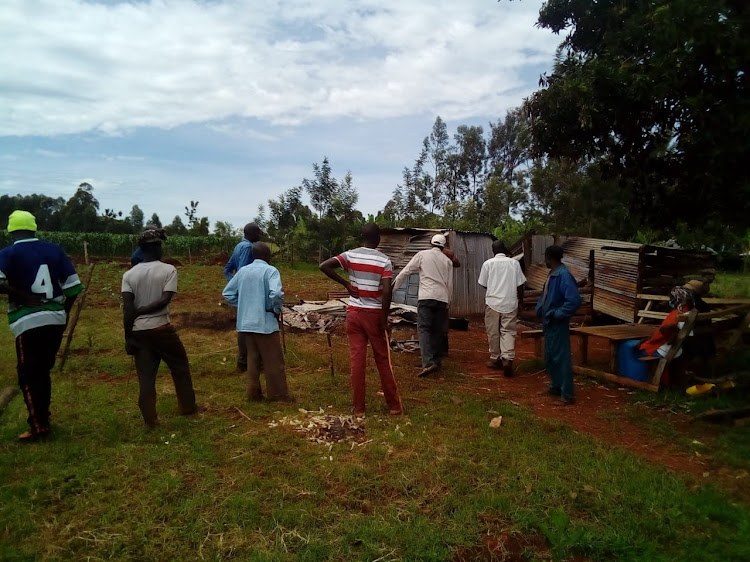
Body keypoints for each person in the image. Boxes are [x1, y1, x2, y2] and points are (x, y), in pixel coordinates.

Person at [0, 211, 85, 441]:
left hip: (28, 322)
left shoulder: (8, 253)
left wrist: (21, 295)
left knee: (28, 375)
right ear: (34, 228)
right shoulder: (54, 250)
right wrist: (63, 313)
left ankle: (38, 426)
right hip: (55, 320)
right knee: (42, 372)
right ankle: (43, 418)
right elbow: (74, 288)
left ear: (11, 231)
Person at [319, 224, 403, 416]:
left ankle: (359, 409)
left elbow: (323, 266)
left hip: (354, 313)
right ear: (378, 239)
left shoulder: (350, 255)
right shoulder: (384, 261)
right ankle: (394, 406)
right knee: (382, 358)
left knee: (357, 360)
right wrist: (384, 318)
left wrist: (346, 284)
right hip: (373, 314)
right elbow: (388, 290)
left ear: (361, 237)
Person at [122, 228, 197, 427]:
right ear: (158, 248)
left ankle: (150, 418)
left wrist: (128, 337)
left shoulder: (128, 275)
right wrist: (144, 311)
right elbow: (164, 300)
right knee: (179, 366)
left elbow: (128, 310)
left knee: (146, 376)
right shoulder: (168, 270)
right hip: (162, 328)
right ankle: (187, 407)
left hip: (139, 332)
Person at [222, 242, 292, 402]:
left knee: (252, 360)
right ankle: (279, 396)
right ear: (267, 256)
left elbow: (227, 293)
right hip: (265, 323)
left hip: (246, 323)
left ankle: (253, 394)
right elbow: (276, 294)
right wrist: (275, 309)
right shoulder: (270, 271)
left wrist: (244, 305)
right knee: (273, 360)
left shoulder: (242, 271)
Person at [392, 233, 460, 377]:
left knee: (424, 329)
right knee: (437, 330)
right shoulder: (447, 261)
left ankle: (428, 363)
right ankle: (436, 361)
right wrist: (449, 301)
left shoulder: (422, 255)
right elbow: (450, 284)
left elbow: (406, 272)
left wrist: (393, 288)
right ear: (443, 245)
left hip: (426, 297)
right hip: (442, 299)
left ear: (431, 243)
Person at [618, 286, 695, 385]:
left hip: (662, 350)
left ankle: (635, 378)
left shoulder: (676, 315)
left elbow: (661, 336)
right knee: (631, 344)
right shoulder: (689, 313)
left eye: (671, 299)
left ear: (678, 300)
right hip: (677, 351)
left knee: (627, 346)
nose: (670, 301)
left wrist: (645, 341)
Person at [535, 245, 581, 404]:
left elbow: (574, 301)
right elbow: (545, 296)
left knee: (561, 358)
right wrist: (540, 308)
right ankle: (555, 386)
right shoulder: (553, 274)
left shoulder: (564, 276)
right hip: (548, 323)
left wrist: (557, 314)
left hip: (557, 324)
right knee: (550, 357)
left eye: (545, 258)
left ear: (549, 257)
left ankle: (567, 395)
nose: (544, 260)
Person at [478, 240, 526, 377]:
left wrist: (493, 288)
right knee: (508, 331)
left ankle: (495, 359)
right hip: (510, 302)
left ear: (493, 250)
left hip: (493, 302)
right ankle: (508, 359)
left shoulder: (487, 264)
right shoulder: (514, 263)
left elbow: (483, 283)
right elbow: (520, 284)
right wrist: (520, 300)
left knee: (493, 331)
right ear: (504, 249)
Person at [223, 223, 262, 372]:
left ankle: (243, 361)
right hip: (250, 291)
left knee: (243, 323)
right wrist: (240, 285)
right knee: (251, 325)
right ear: (251, 233)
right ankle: (248, 362)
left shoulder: (238, 246)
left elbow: (227, 269)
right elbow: (243, 270)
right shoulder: (247, 248)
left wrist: (233, 283)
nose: (259, 236)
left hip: (242, 291)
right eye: (258, 233)